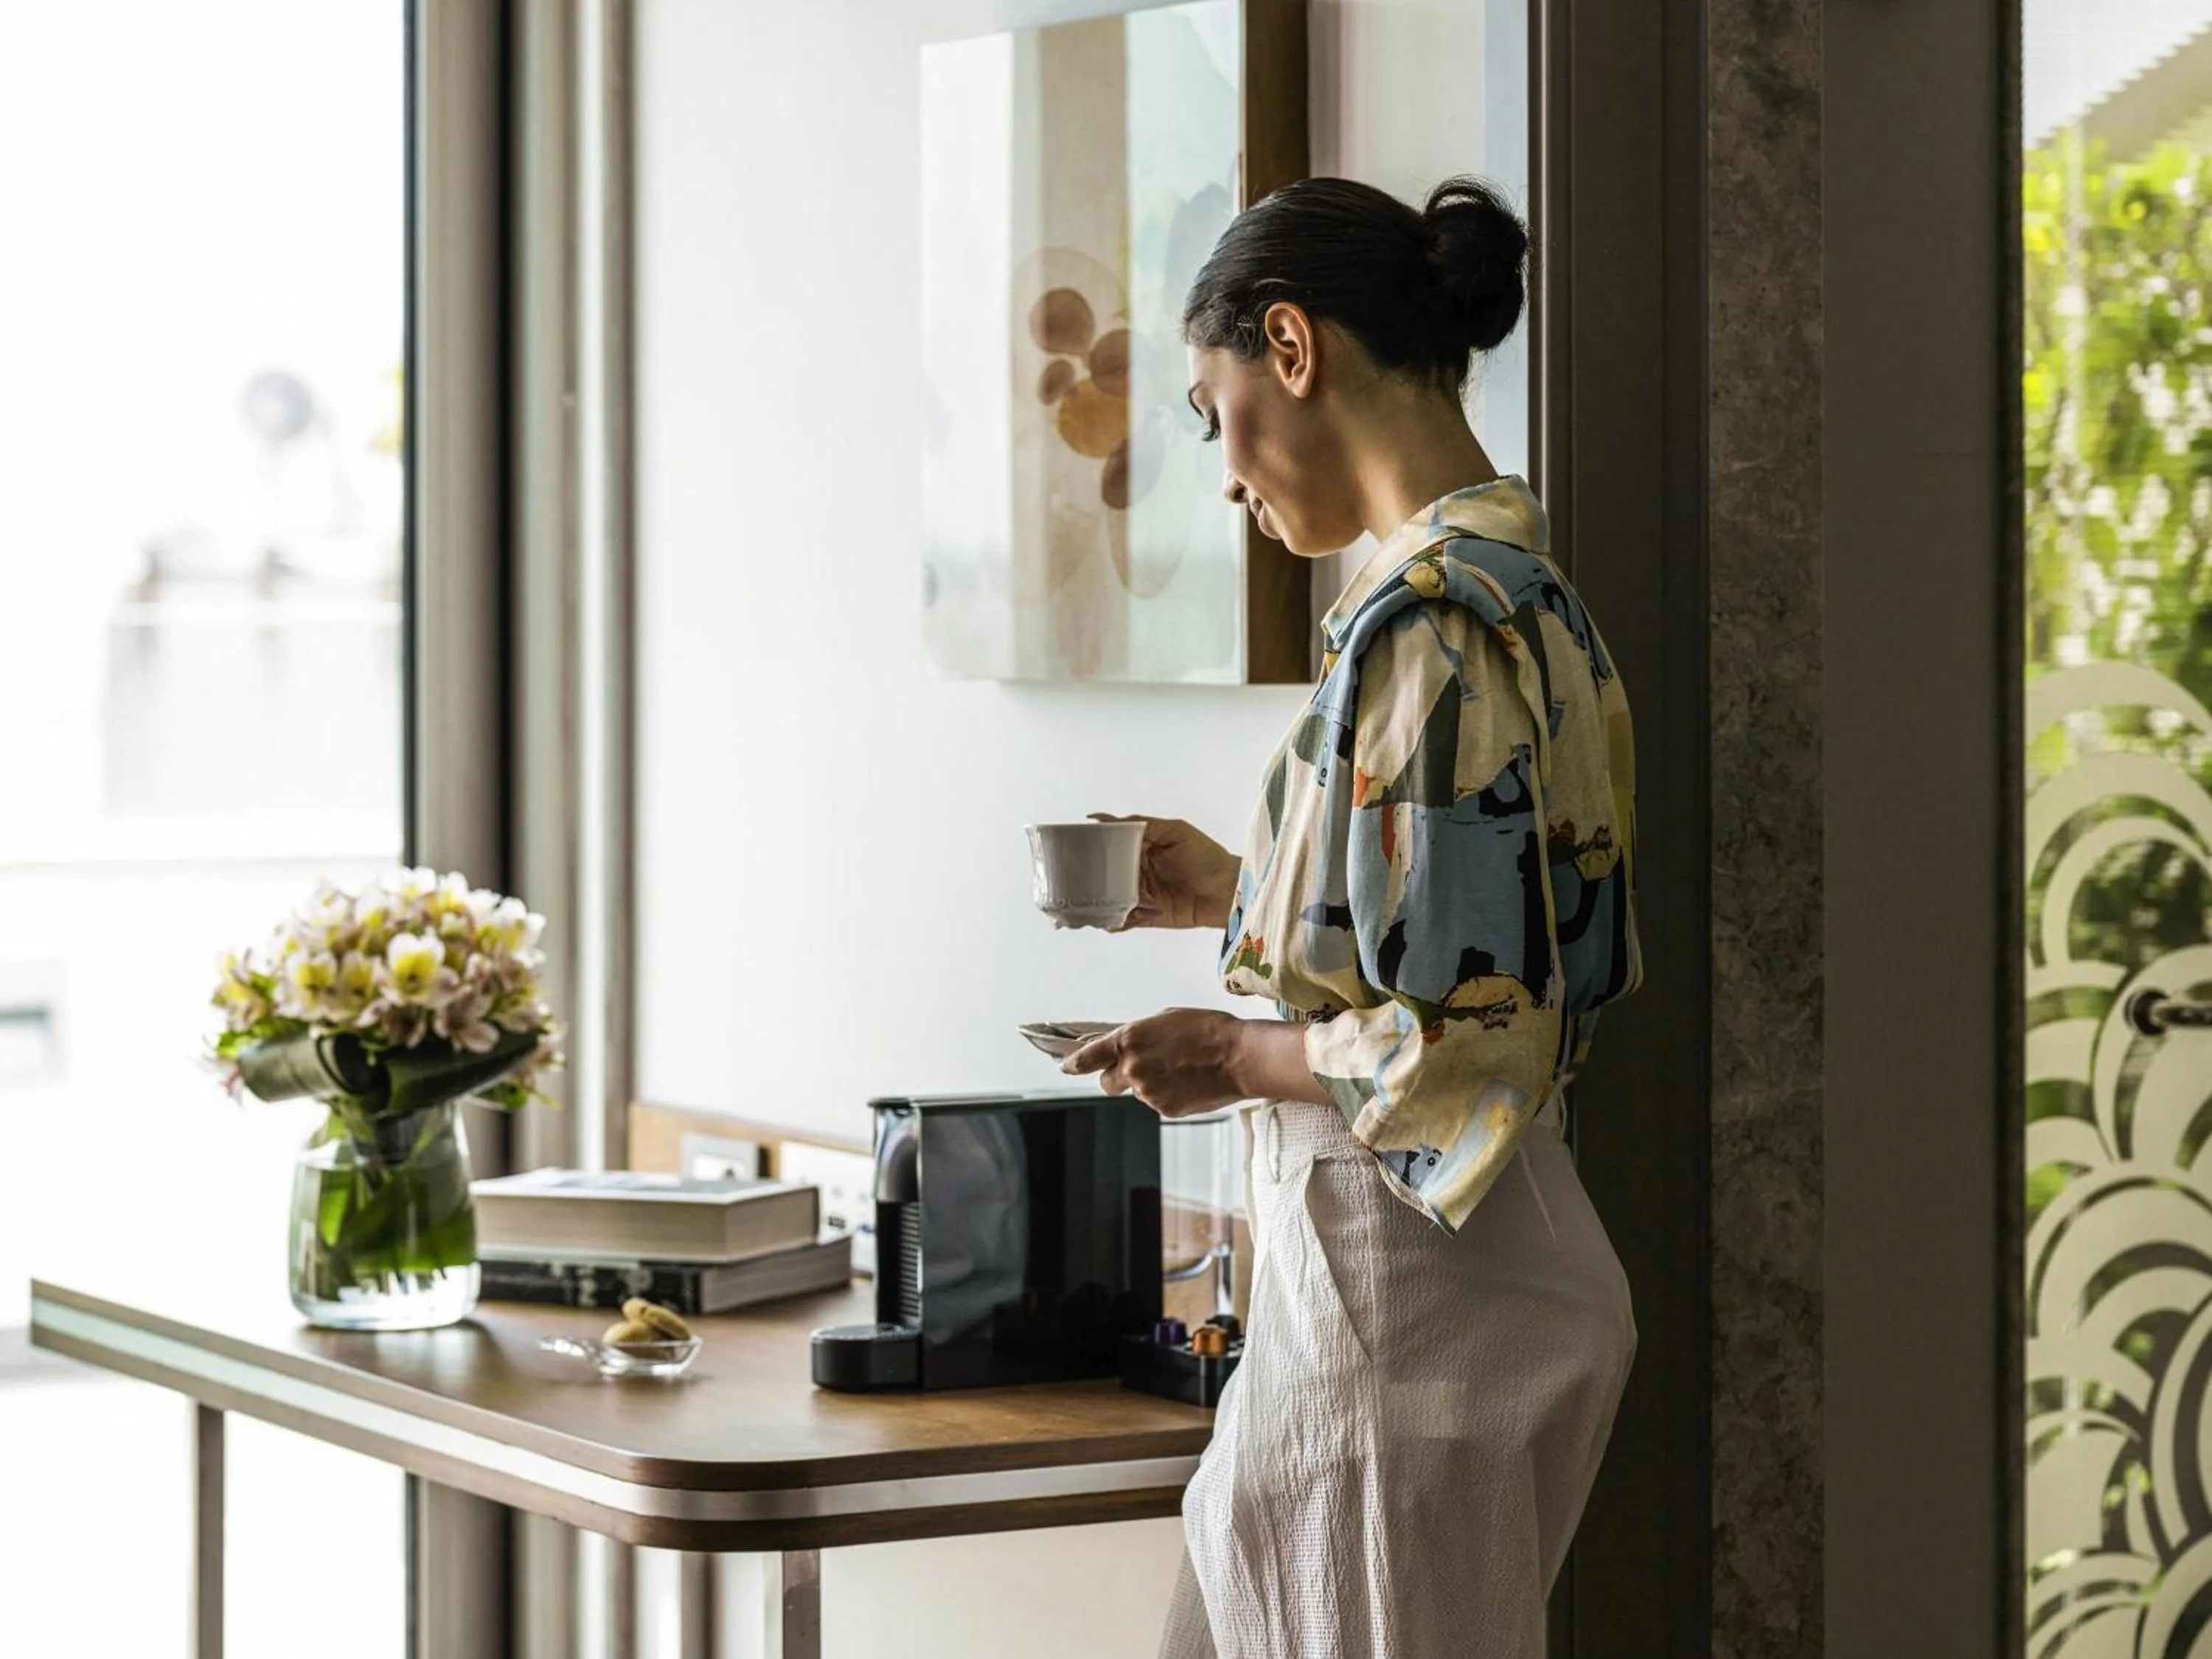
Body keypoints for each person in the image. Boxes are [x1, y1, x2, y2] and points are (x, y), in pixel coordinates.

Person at [1060, 176, 1641, 1659]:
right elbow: (1477, 927)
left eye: (1213, 409)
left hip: (1412, 1311)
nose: (1226, 473)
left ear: (1294, 349)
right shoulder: (1517, 594)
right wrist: (1245, 891)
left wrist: (1232, 1055)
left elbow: (1462, 1039)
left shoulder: (1434, 626)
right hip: (1413, 1290)